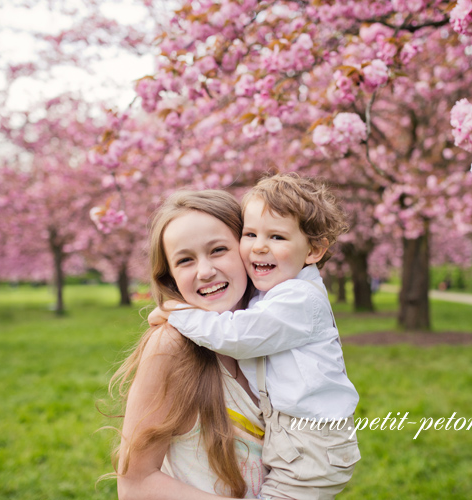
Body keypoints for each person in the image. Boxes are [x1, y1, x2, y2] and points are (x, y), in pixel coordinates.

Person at [150, 173, 361, 500]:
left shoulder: (299, 299)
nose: (260, 246)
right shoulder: (275, 292)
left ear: (314, 250)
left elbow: (236, 334)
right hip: (295, 436)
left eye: (277, 237)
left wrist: (179, 313)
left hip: (312, 443)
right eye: (250, 234)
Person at [108, 190, 266, 499]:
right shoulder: (171, 347)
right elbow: (134, 484)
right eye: (185, 260)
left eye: (218, 249)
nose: (205, 271)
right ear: (170, 278)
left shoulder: (273, 335)